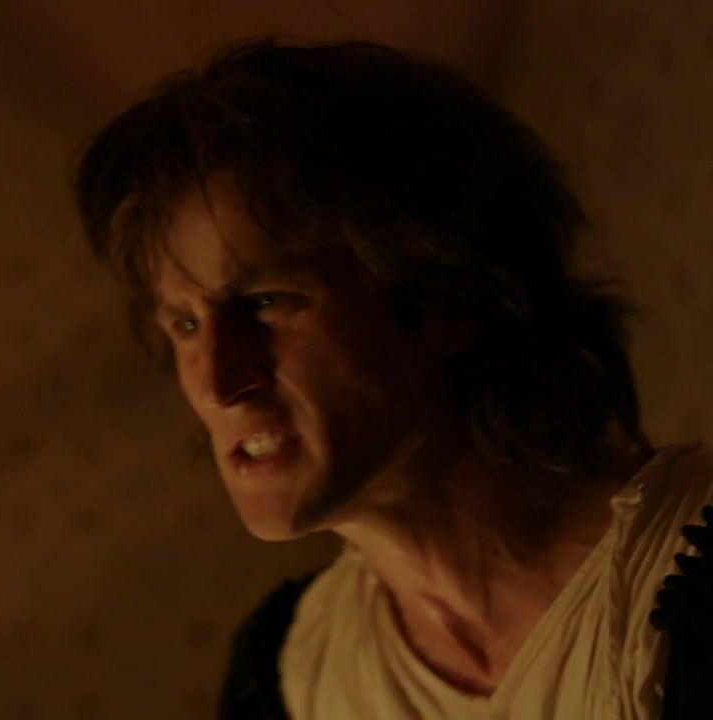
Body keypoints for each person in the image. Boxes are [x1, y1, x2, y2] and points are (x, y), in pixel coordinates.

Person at [73, 39, 713, 718]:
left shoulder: (680, 590)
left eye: (265, 302)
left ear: (443, 300)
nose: (217, 384)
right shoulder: (287, 676)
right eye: (184, 324)